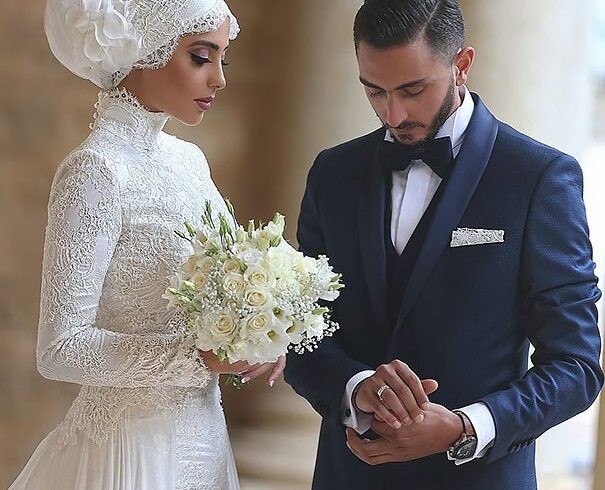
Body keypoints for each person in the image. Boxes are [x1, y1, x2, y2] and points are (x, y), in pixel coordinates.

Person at [284, 1, 603, 489]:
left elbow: (575, 366)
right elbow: (298, 335)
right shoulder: (333, 174)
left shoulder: (538, 178)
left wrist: (464, 427)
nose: (393, 113)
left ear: (462, 65)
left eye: (412, 90)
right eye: (374, 91)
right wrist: (356, 388)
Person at [10, 1, 284, 489]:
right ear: (145, 50)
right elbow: (60, 349)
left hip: (204, 440)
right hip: (128, 453)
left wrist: (264, 331)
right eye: (201, 57)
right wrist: (193, 359)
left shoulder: (190, 161)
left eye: (224, 59)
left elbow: (230, 285)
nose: (220, 79)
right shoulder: (95, 170)